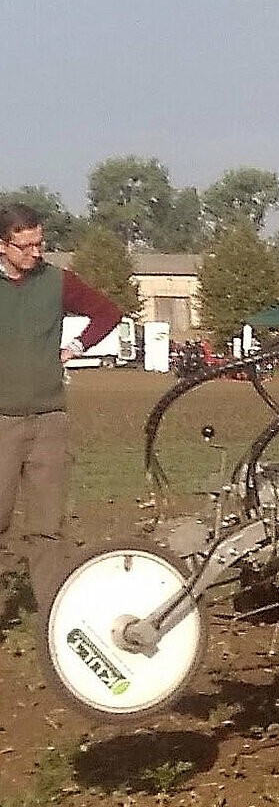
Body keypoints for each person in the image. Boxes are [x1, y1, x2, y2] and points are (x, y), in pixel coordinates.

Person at [0, 203, 123, 612]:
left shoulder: (57, 281)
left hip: (49, 421)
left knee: (47, 528)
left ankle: (53, 616)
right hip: (2, 422)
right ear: (3, 245)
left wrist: (76, 346)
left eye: (40, 243)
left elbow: (108, 312)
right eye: (26, 245)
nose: (36, 253)